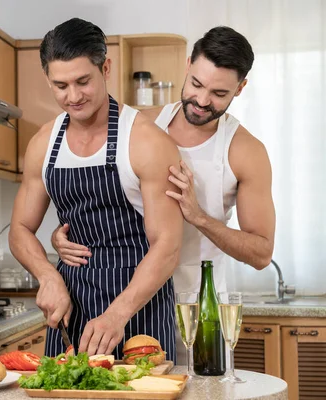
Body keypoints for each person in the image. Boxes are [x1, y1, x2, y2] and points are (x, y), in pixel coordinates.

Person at [51, 26, 276, 363]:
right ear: (187, 66)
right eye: (197, 84)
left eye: (219, 93)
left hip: (199, 311)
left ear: (240, 89)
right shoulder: (142, 125)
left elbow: (261, 253)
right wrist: (62, 234)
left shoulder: (246, 152)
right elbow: (102, 201)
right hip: (134, 301)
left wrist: (198, 216)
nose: (201, 101)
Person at [8, 17, 184, 360]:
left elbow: (168, 246)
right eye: (60, 86)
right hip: (70, 308)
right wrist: (47, 275)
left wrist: (118, 314)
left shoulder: (146, 141)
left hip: (139, 308)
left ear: (105, 68)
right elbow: (19, 229)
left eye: (82, 81)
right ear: (47, 78)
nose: (73, 96)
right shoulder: (44, 143)